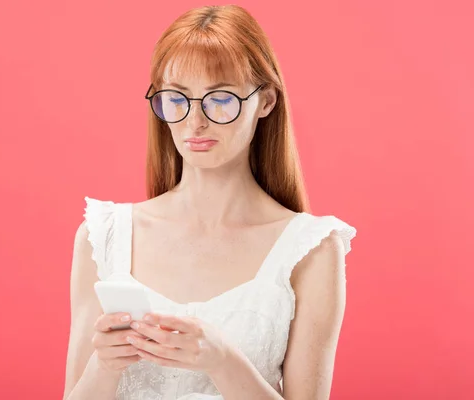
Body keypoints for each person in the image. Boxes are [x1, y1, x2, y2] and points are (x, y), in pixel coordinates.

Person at [63, 5, 357, 400]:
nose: (194, 122)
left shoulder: (312, 249)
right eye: (177, 98)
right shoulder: (104, 235)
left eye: (220, 99)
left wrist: (222, 360)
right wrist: (104, 363)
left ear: (266, 101)